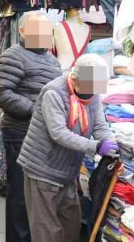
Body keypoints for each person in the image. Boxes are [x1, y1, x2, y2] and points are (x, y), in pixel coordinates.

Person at [18, 54, 116, 242]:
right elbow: (59, 133)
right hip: (42, 170)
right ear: (76, 78)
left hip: (67, 172)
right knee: (47, 233)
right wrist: (96, 146)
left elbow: (100, 126)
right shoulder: (54, 92)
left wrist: (109, 144)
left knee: (70, 226)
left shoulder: (91, 93)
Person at [0, 10, 62, 242]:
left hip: (45, 135)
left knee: (39, 195)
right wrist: (38, 109)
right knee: (20, 195)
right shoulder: (13, 55)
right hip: (20, 133)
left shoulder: (52, 60)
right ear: (22, 31)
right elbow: (1, 92)